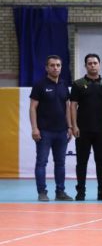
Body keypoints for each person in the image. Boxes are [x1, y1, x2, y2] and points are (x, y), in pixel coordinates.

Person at [70, 53, 102, 201]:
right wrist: (74, 125)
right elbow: (73, 106)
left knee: (101, 163)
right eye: (90, 63)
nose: (93, 65)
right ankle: (80, 192)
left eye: (95, 63)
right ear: (85, 66)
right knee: (81, 163)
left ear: (99, 65)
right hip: (82, 130)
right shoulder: (78, 84)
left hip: (101, 130)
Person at [30, 55, 73, 201]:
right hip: (44, 131)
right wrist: (35, 128)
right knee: (41, 162)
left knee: (60, 163)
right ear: (46, 68)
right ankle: (42, 192)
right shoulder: (40, 85)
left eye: (58, 65)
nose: (55, 68)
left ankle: (60, 192)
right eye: (52, 65)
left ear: (61, 67)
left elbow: (67, 107)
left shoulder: (63, 84)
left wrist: (69, 127)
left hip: (62, 131)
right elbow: (32, 108)